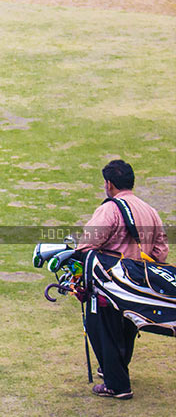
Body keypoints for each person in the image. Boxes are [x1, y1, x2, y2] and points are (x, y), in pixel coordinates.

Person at [77, 160, 169, 400]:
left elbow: (86, 245)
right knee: (127, 329)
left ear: (109, 184)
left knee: (103, 329)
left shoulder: (110, 209)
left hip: (110, 285)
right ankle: (112, 369)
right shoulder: (150, 211)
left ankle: (117, 385)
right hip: (139, 287)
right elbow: (160, 252)